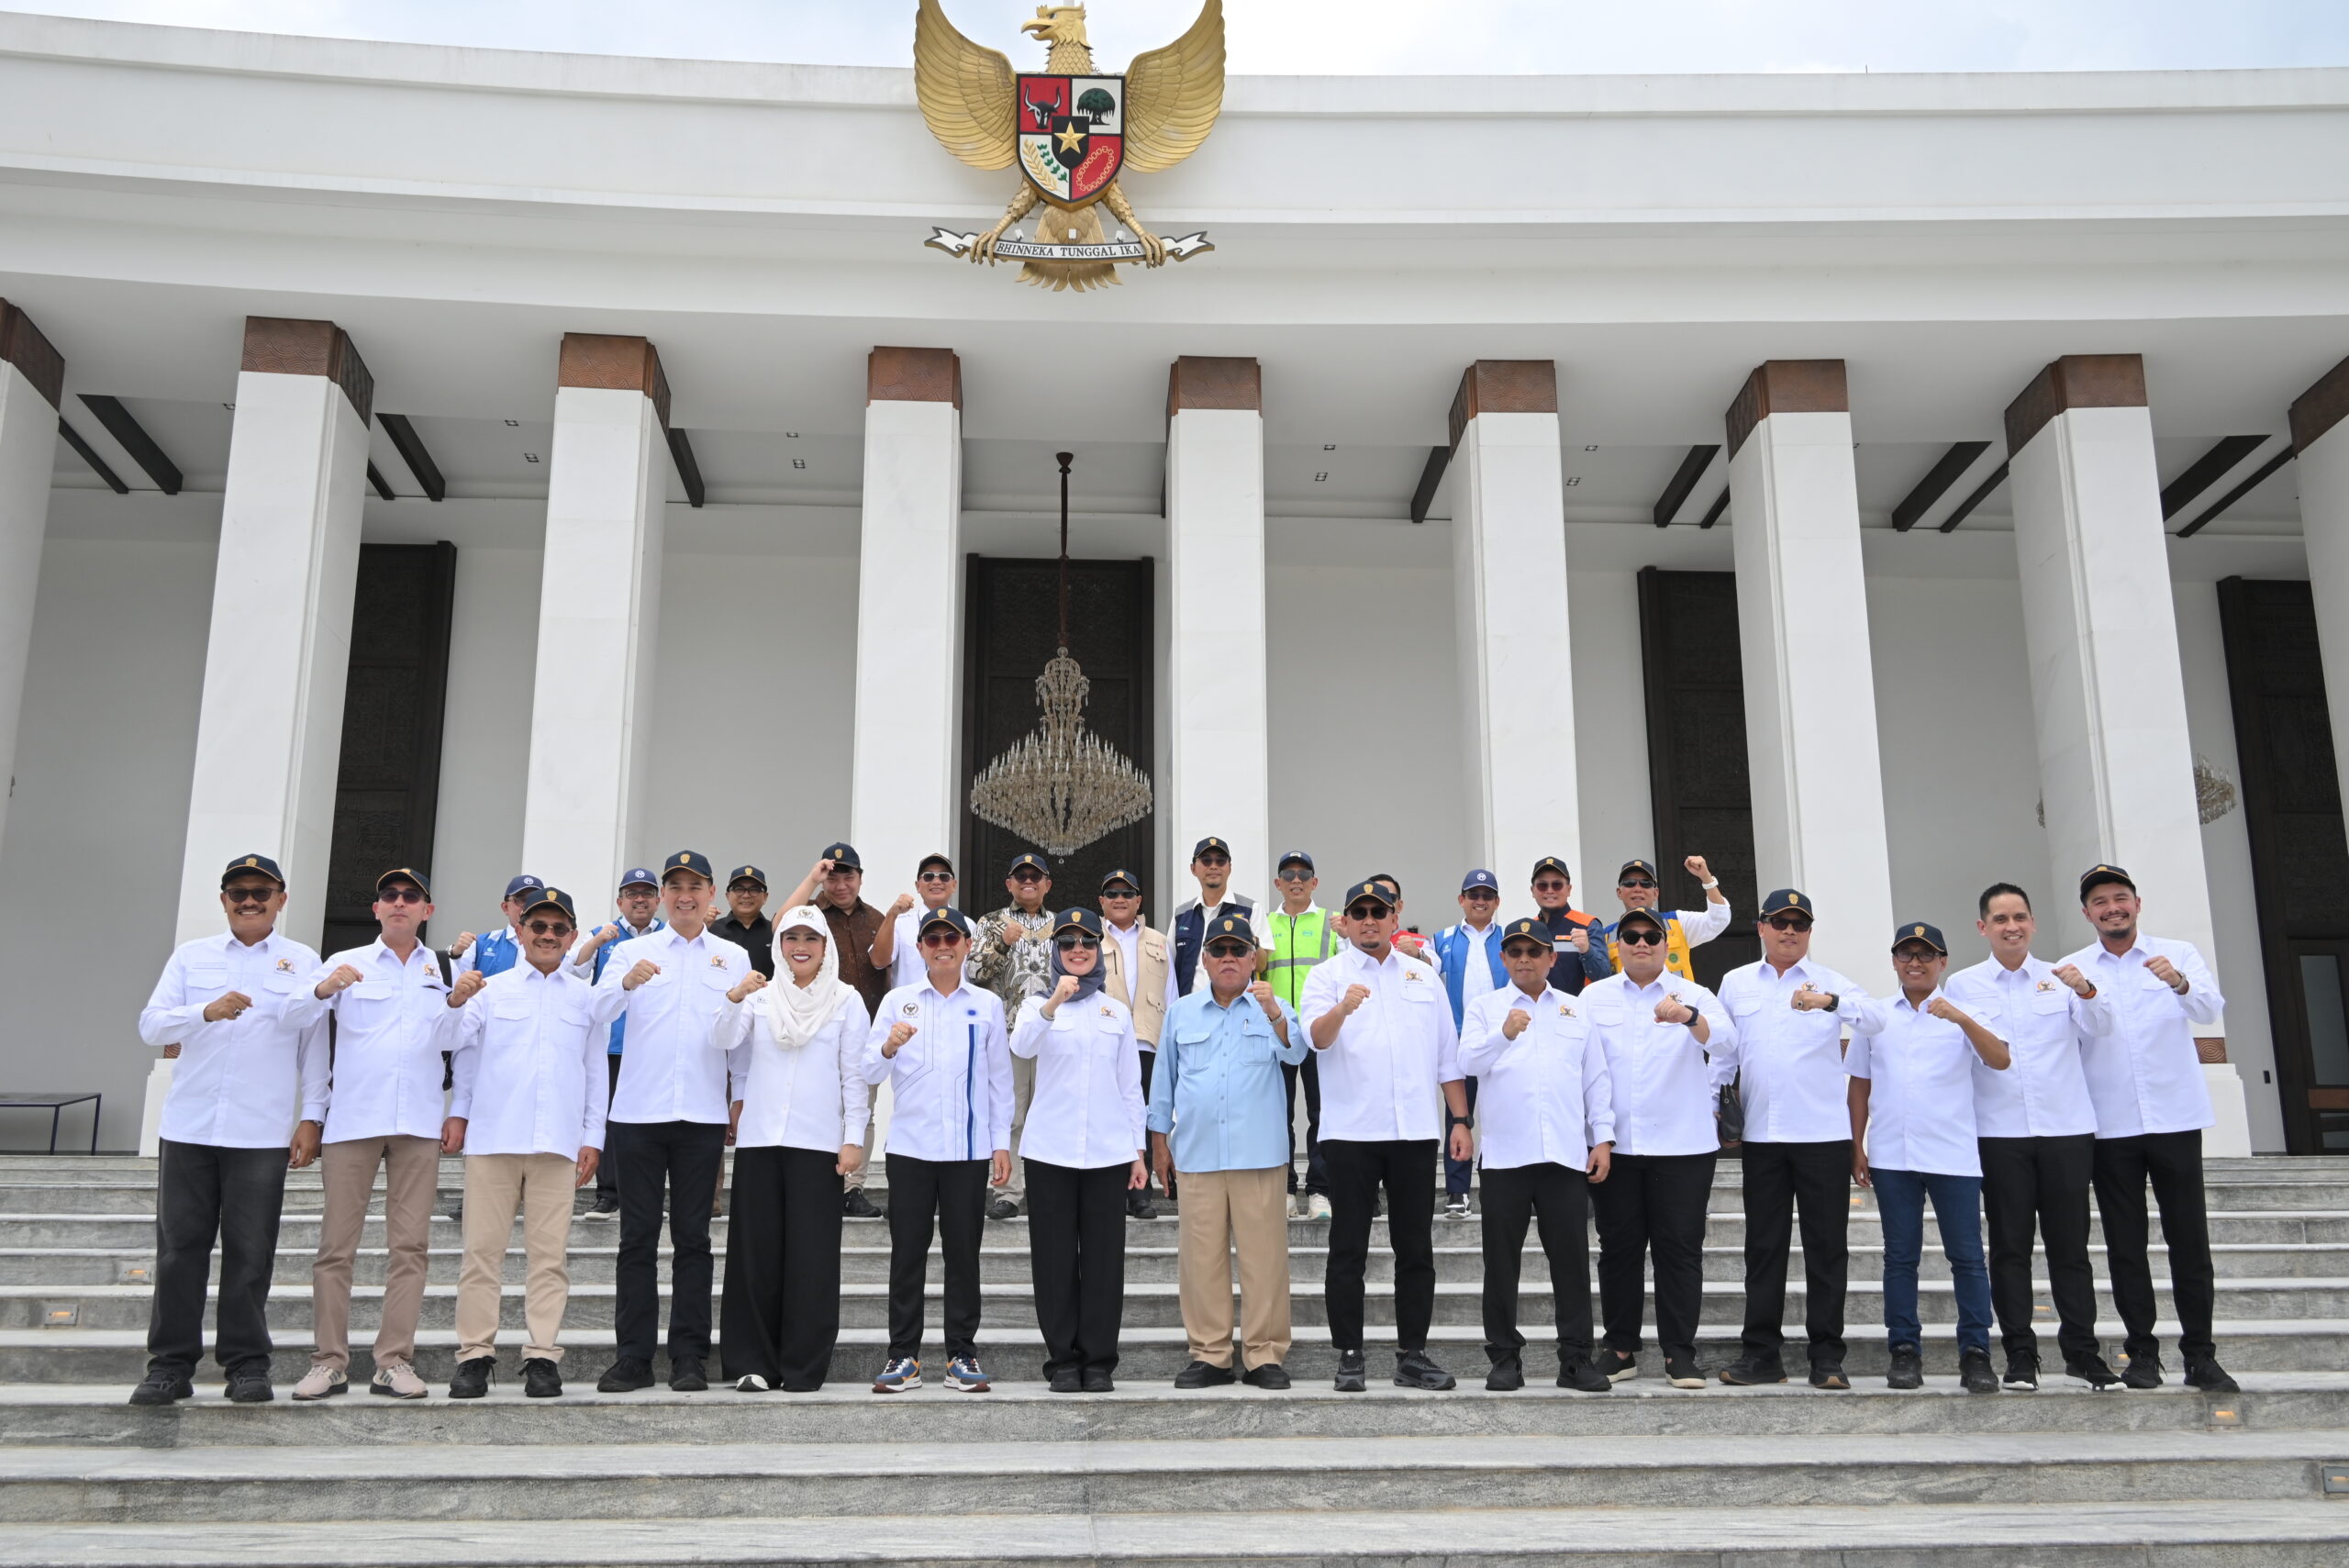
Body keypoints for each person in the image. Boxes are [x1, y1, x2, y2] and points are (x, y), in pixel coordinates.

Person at [130, 853, 328, 1406]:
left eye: (261, 892)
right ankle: (169, 1365)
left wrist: (312, 1116)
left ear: (281, 900)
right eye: (238, 891)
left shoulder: (301, 960)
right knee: (179, 1251)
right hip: (191, 1126)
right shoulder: (192, 957)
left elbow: (314, 1046)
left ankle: (246, 1364)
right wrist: (204, 1013)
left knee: (251, 1251)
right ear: (223, 900)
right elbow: (151, 1024)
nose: (249, 900)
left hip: (260, 1132)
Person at [1943, 883, 2123, 1392]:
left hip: (2066, 1128)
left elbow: (2101, 1026)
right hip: (1999, 1134)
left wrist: (2085, 989)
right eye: (2000, 919)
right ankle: (2020, 1354)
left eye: (2020, 916)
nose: (2011, 926)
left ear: (2033, 922)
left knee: (2071, 1248)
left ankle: (2082, 1352)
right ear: (1983, 928)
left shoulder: (2061, 976)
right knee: (2009, 1249)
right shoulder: (1962, 985)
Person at [2065, 865, 2237, 1393]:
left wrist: (2178, 982)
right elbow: (2074, 1037)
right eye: (2100, 901)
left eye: (2120, 898)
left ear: (2137, 903)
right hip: (2110, 1124)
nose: (2111, 908)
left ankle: (2200, 1354)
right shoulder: (2072, 968)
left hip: (2175, 1117)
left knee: (2189, 1239)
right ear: (2087, 912)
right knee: (2124, 1244)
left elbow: (2210, 1009)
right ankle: (2142, 1352)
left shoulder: (2177, 953)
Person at [442, 887, 616, 1399]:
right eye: (538, 926)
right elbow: (457, 1046)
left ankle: (543, 1356)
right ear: (520, 931)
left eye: (558, 928)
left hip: (558, 1145)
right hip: (494, 1138)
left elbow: (593, 1072)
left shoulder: (586, 998)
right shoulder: (490, 991)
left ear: (571, 937)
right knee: (481, 1254)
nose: (547, 936)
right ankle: (475, 1354)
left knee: (549, 1257)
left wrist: (594, 1137)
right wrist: (456, 998)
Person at [1303, 879, 1473, 1393]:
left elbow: (1448, 1056)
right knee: (1348, 1249)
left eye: (1380, 911)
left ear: (1394, 917)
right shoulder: (1327, 976)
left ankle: (1412, 1354)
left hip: (1415, 1132)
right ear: (1347, 922)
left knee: (1415, 1249)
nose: (1370, 919)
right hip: (1351, 1133)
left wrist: (1460, 1120)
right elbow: (1316, 1038)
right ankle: (1350, 1356)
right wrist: (1342, 1009)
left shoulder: (1424, 977)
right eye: (1360, 912)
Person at [593, 851, 751, 1395]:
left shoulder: (730, 957)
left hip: (702, 1116)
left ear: (711, 895)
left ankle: (689, 1356)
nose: (685, 895)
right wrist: (624, 985)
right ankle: (633, 1357)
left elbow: (737, 1039)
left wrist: (741, 1097)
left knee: (694, 1240)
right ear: (662, 895)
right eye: (675, 886)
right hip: (638, 1113)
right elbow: (596, 1014)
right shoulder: (631, 951)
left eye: (696, 886)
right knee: (636, 1240)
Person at [295, 867, 455, 1402]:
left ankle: (394, 1361)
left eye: (412, 897)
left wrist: (461, 1112)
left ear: (427, 911)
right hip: (353, 1120)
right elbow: (309, 1034)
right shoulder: (346, 964)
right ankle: (329, 1362)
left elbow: (462, 1043)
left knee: (410, 1247)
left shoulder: (444, 968)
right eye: (390, 895)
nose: (400, 903)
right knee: (336, 1246)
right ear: (376, 908)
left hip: (418, 1122)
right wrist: (312, 1113)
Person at [711, 906, 872, 1392]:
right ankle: (752, 1363)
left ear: (826, 948)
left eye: (811, 938)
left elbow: (855, 1077)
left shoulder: (846, 1000)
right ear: (779, 945)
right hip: (761, 1140)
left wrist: (853, 1139)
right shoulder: (759, 998)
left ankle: (803, 1365)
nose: (800, 946)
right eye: (790, 937)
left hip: (818, 1144)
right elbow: (723, 1039)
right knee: (754, 1257)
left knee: (812, 1259)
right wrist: (735, 996)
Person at [1845, 921, 2009, 1395]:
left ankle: (1976, 1353)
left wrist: (1961, 1019)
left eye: (1925, 955)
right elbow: (1860, 1082)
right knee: (1899, 1259)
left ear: (1943, 962)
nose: (1914, 963)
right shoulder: (1875, 1016)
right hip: (1893, 1155)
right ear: (1894, 961)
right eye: (1905, 954)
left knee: (1968, 1259)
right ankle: (1904, 1352)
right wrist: (1857, 1144)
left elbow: (2000, 1059)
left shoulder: (1966, 1011)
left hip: (1953, 1154)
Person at [1579, 903, 1736, 1390]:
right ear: (1618, 945)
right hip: (1617, 1146)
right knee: (1618, 1249)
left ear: (1666, 945)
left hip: (1683, 1146)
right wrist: (1596, 1136)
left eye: (1651, 936)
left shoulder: (1694, 993)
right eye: (1632, 936)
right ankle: (1620, 1347)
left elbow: (1729, 1044)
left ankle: (1679, 1353)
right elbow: (1586, 1071)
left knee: (1680, 1250)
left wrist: (1689, 1018)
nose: (1642, 943)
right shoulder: (1593, 997)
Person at [1716, 888, 1867, 1390]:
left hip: (1822, 1136)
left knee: (1827, 1250)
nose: (1789, 931)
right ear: (1760, 927)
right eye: (1779, 922)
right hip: (1762, 1136)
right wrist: (1714, 1106)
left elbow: (1879, 1020)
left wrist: (1831, 1003)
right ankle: (1762, 1355)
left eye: (1798, 924)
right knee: (1763, 1248)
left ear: (1809, 932)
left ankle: (1827, 1357)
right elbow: (1723, 1054)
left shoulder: (1833, 983)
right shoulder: (1736, 983)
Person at [1459, 917, 1617, 1392]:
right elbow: (1466, 1063)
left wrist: (1603, 1138)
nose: (1525, 959)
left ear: (1552, 958)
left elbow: (1596, 1079)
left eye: (1535, 951)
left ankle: (1575, 1360)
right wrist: (1503, 1034)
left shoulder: (1574, 1009)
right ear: (1504, 959)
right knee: (1501, 1265)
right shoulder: (1486, 1008)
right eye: (1516, 952)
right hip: (1507, 1157)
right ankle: (1505, 1358)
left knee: (1570, 1262)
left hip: (1565, 1156)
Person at [1149, 913, 1305, 1388]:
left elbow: (1296, 1053)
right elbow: (1164, 1081)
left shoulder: (1273, 1006)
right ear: (1205, 958)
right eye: (1220, 950)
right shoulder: (1182, 1012)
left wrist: (1275, 1011)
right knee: (1201, 1262)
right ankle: (1211, 1354)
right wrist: (1159, 1143)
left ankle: (1264, 1354)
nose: (1230, 958)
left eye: (1239, 950)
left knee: (1264, 1260)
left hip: (1259, 1155)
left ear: (1254, 958)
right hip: (1198, 1153)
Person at [863, 906, 1014, 1394]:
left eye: (952, 937)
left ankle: (961, 1356)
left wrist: (1000, 1143)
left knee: (963, 1255)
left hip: (967, 1149)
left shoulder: (987, 1004)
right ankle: (902, 1355)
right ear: (921, 947)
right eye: (933, 938)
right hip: (910, 1148)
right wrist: (887, 1047)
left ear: (967, 945)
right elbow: (868, 1072)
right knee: (907, 1253)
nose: (943, 945)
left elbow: (999, 1082)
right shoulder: (898, 1002)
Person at [1012, 908, 1148, 1391]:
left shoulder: (1117, 1012)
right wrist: (1053, 1003)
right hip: (1051, 1151)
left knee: (1104, 1260)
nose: (1077, 951)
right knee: (1053, 1260)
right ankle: (1063, 1361)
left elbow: (1130, 1087)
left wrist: (1138, 1152)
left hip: (1108, 1153)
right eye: (1067, 944)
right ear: (1056, 952)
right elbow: (1023, 1047)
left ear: (1097, 952)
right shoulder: (1036, 1005)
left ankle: (1098, 1360)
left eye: (1086, 944)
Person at [785, 844, 890, 1218]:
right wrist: (813, 879)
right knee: (818, 1105)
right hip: (815, 1028)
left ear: (860, 878)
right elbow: (781, 921)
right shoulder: (810, 913)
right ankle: (817, 1177)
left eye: (849, 876)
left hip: (867, 1031)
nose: (841, 884)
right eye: (833, 876)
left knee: (864, 1109)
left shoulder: (877, 918)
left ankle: (852, 1187)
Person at [570, 866, 663, 1219]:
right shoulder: (601, 936)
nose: (639, 900)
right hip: (610, 1045)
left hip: (650, 1048)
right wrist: (596, 941)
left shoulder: (670, 936)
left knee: (648, 1123)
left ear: (658, 900)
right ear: (620, 901)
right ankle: (608, 1193)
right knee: (607, 1121)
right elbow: (572, 970)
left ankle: (646, 1192)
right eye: (632, 893)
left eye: (646, 893)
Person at [969, 851, 1057, 1219]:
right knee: (1013, 1113)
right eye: (1020, 876)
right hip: (1009, 1035)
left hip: (1056, 1035)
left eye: (1035, 876)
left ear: (1047, 885)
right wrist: (1002, 942)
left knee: (1052, 1112)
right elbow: (973, 972)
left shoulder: (1064, 924)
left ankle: (1049, 1190)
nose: (1028, 882)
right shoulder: (991, 922)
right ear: (1009, 884)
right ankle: (1008, 1192)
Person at [1262, 851, 1340, 1218]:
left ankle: (1321, 1190)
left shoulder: (1331, 922)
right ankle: (1286, 1188)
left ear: (1314, 881)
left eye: (1304, 873)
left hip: (1319, 1031)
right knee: (1278, 1113)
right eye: (1288, 874)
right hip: (1278, 1031)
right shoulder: (1263, 923)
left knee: (1322, 1112)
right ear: (1278, 882)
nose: (1296, 879)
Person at [1095, 868, 1174, 1218]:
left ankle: (1141, 1194)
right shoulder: (1087, 940)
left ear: (1139, 900)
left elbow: (1170, 996)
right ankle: (1111, 1188)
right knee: (1108, 1116)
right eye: (1112, 893)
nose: (1119, 899)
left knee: (1143, 1117)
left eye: (1127, 893)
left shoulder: (1159, 940)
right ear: (1101, 902)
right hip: (1105, 1044)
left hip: (1148, 1043)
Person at [1432, 870, 1507, 1220]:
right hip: (1461, 1041)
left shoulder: (1509, 938)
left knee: (1505, 1114)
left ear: (1497, 902)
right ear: (1461, 899)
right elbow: (1427, 969)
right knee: (1458, 1117)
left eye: (1487, 895)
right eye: (1473, 894)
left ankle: (1503, 1183)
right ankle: (1458, 1192)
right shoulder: (1442, 938)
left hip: (1506, 1041)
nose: (1480, 901)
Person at [1602, 857, 1731, 983]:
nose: (1637, 888)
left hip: (1677, 1003)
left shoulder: (1678, 921)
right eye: (1629, 883)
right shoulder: (1606, 935)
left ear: (1656, 893)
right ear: (1619, 892)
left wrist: (1706, 878)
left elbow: (1718, 919)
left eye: (1646, 883)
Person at [1171, 836, 1257, 995]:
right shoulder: (1181, 914)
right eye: (1206, 861)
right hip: (1190, 1009)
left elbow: (1262, 964)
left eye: (1220, 861)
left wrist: (1249, 938)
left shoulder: (1251, 909)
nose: (1213, 866)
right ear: (1193, 868)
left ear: (1230, 868)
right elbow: (1169, 966)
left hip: (1236, 1007)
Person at [872, 852, 962, 991]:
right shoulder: (900, 924)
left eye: (944, 876)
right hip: (911, 1009)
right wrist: (891, 915)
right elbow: (878, 962)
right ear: (918, 886)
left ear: (954, 885)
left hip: (955, 1007)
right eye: (928, 876)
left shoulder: (968, 925)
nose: (936, 882)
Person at [1527, 857, 1610, 998]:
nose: (1549, 890)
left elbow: (1604, 977)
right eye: (1542, 885)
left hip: (1577, 1013)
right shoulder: (1529, 929)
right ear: (1533, 891)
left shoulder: (1588, 924)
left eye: (1557, 885)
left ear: (1569, 889)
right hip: (1537, 1012)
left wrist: (1587, 950)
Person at [449, 873, 546, 978]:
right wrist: (455, 953)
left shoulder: (558, 948)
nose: (528, 906)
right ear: (505, 907)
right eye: (521, 899)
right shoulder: (480, 944)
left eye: (534, 901)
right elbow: (451, 983)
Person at [712, 864, 775, 979]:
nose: (746, 895)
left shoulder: (775, 932)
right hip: (723, 996)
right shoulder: (712, 931)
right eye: (739, 889)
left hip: (767, 996)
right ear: (727, 896)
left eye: (754, 890)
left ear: (765, 897)